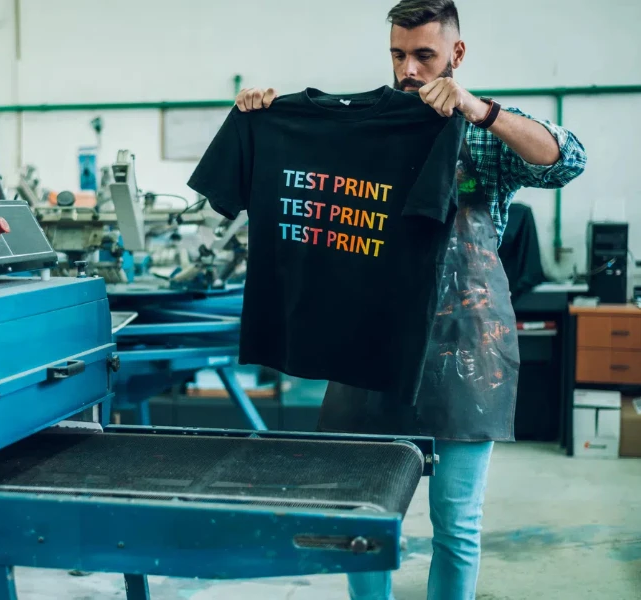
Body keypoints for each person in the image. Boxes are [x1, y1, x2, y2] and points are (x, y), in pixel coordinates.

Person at [233, 1, 587, 599]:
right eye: (399, 54)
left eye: (424, 54)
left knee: (457, 522)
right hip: (366, 348)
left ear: (457, 53)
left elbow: (567, 158)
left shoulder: (484, 131)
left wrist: (482, 109)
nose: (409, 69)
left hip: (466, 351)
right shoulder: (360, 128)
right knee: (358, 519)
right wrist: (263, 117)